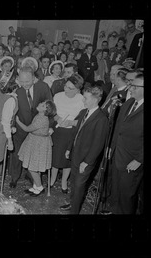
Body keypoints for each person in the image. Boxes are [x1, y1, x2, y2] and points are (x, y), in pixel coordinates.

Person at [60, 86, 109, 214]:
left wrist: (87, 162)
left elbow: (98, 144)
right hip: (76, 154)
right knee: (73, 183)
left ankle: (74, 211)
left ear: (96, 99)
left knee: (79, 186)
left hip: (86, 160)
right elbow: (75, 133)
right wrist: (69, 148)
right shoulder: (83, 113)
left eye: (86, 98)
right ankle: (72, 203)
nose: (83, 100)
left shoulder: (101, 119)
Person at [9, 67, 52, 188]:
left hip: (37, 129)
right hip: (20, 127)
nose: (24, 84)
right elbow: (11, 111)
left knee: (33, 154)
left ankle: (31, 175)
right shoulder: (16, 89)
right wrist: (12, 126)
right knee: (17, 153)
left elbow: (49, 107)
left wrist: (50, 126)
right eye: (21, 81)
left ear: (34, 79)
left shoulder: (43, 87)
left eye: (27, 81)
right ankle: (14, 177)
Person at [109, 73, 144, 214]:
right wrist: (111, 148)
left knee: (126, 198)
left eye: (135, 86)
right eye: (130, 84)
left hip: (132, 161)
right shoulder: (129, 103)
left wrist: (139, 160)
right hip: (118, 155)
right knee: (115, 192)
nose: (130, 88)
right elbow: (118, 128)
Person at [50, 74, 85, 193]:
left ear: (77, 89)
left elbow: (83, 119)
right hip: (58, 130)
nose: (66, 89)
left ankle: (64, 180)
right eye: (66, 86)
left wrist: (71, 122)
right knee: (55, 155)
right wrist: (58, 118)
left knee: (67, 158)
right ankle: (52, 178)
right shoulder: (58, 96)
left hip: (72, 131)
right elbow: (52, 112)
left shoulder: (81, 99)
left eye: (70, 88)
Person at [17, 100, 56, 196]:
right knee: (36, 166)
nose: (39, 104)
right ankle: (35, 186)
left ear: (46, 111)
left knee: (32, 168)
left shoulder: (41, 119)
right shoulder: (39, 116)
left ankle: (39, 187)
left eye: (43, 105)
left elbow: (27, 129)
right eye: (41, 103)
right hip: (35, 141)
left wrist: (17, 121)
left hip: (38, 144)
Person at [0, 76, 19, 193]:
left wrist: (12, 126)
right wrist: (10, 141)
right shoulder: (11, 99)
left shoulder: (3, 94)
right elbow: (5, 120)